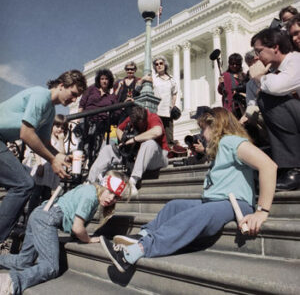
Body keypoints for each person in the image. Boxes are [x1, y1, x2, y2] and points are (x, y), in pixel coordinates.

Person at [99, 107, 277, 273]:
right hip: (215, 202)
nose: (201, 134)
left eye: (203, 129)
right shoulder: (219, 148)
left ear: (216, 126)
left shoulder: (231, 141)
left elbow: (268, 166)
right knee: (174, 206)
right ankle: (143, 235)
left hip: (235, 203)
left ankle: (138, 250)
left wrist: (261, 211)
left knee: (195, 216)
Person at [0, 171, 130, 294]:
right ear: (103, 185)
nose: (111, 198)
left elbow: (73, 219)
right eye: (109, 191)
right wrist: (89, 239)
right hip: (47, 219)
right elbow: (77, 228)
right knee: (50, 267)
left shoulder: (89, 190)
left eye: (116, 197)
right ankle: (11, 282)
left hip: (39, 213)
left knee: (24, 260)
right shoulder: (91, 196)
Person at [0, 70, 87, 244]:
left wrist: (61, 157)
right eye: (73, 94)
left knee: (27, 177)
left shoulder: (49, 111)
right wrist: (53, 160)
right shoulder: (41, 95)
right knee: (24, 184)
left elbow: (45, 143)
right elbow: (27, 134)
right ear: (62, 85)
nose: (74, 100)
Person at [250, 27, 300, 190]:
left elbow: (276, 87)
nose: (257, 57)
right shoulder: (276, 69)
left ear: (275, 47)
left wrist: (259, 77)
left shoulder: (295, 60)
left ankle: (295, 169)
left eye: (259, 51)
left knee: (268, 97)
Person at [88, 105, 169, 196]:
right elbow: (118, 129)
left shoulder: (153, 116)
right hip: (135, 156)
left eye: (141, 124)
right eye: (137, 125)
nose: (139, 127)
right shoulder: (132, 118)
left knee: (149, 143)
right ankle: (90, 182)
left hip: (158, 158)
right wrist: (124, 139)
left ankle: (132, 182)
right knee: (108, 149)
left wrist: (134, 139)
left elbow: (157, 131)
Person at [26, 114, 69, 216]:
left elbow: (62, 154)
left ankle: (41, 216)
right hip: (43, 167)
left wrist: (61, 140)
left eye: (62, 128)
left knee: (47, 194)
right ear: (52, 126)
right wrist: (39, 164)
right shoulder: (46, 137)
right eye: (57, 126)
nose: (60, 129)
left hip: (51, 172)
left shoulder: (60, 141)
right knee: (36, 193)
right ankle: (30, 215)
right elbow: (37, 150)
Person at [78, 68, 118, 167]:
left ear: (110, 81)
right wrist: (79, 118)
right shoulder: (92, 89)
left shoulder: (111, 96)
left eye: (106, 79)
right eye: (102, 79)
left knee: (95, 147)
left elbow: (117, 111)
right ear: (99, 80)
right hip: (87, 119)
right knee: (84, 146)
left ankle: (92, 167)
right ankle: (79, 168)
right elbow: (82, 103)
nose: (104, 81)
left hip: (101, 123)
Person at [137, 56, 178, 148]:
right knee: (156, 133)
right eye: (156, 64)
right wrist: (143, 79)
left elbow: (174, 93)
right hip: (156, 111)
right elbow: (138, 86)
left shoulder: (172, 79)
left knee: (169, 135)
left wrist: (173, 105)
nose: (159, 65)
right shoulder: (153, 79)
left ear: (165, 65)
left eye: (161, 63)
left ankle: (168, 153)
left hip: (168, 111)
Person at [239, 50, 269, 146]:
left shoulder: (276, 69)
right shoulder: (250, 84)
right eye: (250, 65)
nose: (251, 68)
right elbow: (251, 105)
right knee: (251, 112)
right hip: (264, 114)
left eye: (252, 64)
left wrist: (262, 75)